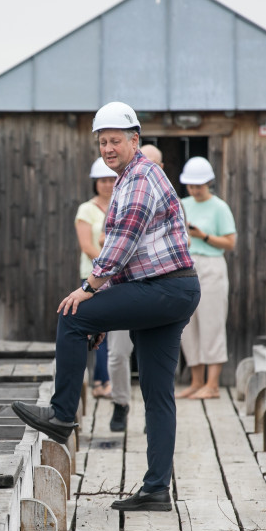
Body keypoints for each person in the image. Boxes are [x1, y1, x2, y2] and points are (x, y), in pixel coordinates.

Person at [12, 102, 200, 512]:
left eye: (116, 140)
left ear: (136, 140)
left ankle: (62, 415)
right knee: (157, 393)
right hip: (172, 289)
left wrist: (90, 289)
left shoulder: (138, 179)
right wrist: (107, 307)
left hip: (164, 289)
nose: (109, 148)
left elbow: (121, 242)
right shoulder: (136, 176)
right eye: (102, 142)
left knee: (72, 313)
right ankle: (155, 490)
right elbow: (131, 257)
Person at [106, 144, 165, 431]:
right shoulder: (122, 194)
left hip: (155, 290)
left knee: (153, 357)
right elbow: (112, 247)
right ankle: (120, 403)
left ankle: (152, 414)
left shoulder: (167, 199)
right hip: (122, 288)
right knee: (117, 353)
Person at [175, 156, 237, 400]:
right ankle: (196, 381)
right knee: (188, 325)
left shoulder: (220, 207)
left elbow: (230, 242)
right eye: (190, 185)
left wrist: (203, 236)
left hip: (211, 264)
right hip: (187, 265)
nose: (194, 189)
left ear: (208, 182)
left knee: (212, 322)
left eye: (198, 185)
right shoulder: (183, 203)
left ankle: (212, 384)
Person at [75, 158, 117, 399]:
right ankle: (100, 381)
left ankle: (105, 380)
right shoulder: (86, 209)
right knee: (100, 330)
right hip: (92, 275)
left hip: (117, 275)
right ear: (95, 183)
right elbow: (87, 246)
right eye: (103, 180)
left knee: (112, 329)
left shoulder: (121, 204)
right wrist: (109, 263)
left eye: (111, 179)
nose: (108, 184)